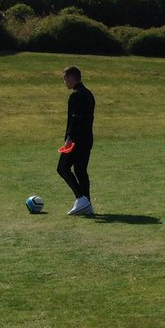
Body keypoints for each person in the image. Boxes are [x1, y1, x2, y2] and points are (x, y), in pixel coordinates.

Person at [58, 65, 95, 216]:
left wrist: (69, 138)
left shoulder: (76, 95)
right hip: (87, 139)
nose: (64, 82)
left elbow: (75, 119)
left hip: (76, 140)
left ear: (72, 78)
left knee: (62, 168)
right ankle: (87, 205)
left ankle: (81, 198)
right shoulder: (89, 94)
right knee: (80, 170)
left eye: (65, 79)